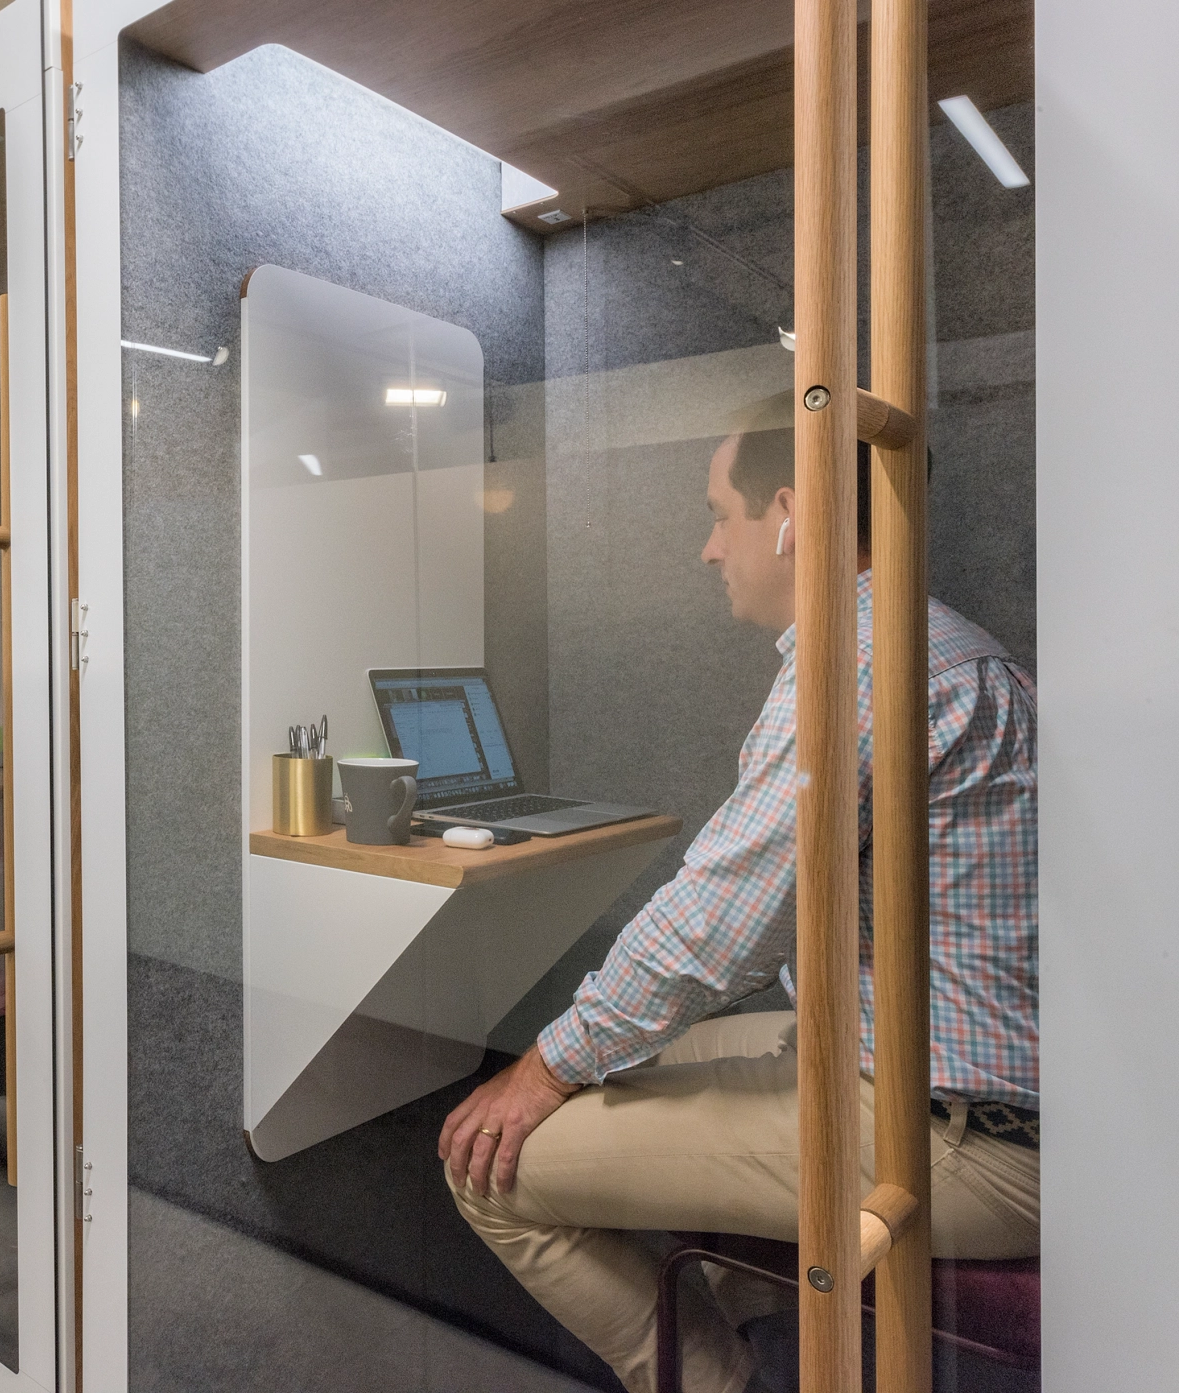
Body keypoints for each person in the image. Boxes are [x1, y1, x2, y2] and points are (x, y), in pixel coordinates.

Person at [440, 421, 1038, 1393]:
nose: (708, 547)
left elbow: (717, 927)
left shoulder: (860, 662)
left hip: (962, 1134)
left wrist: (540, 1069)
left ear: (789, 515)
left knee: (485, 1164)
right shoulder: (929, 640)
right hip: (954, 1080)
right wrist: (579, 1058)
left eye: (719, 516)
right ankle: (761, 1346)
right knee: (623, 1069)